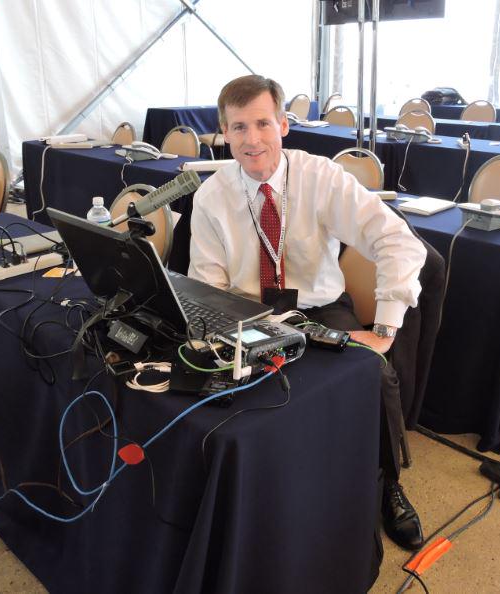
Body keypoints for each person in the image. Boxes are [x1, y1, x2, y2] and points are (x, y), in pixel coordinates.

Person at [189, 74, 427, 551]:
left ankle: (389, 484)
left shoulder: (321, 177)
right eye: (239, 127)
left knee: (375, 374)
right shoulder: (210, 196)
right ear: (224, 132)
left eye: (262, 123)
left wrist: (384, 329)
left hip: (320, 307)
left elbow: (397, 240)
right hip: (249, 312)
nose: (252, 139)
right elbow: (207, 285)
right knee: (225, 391)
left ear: (283, 124)